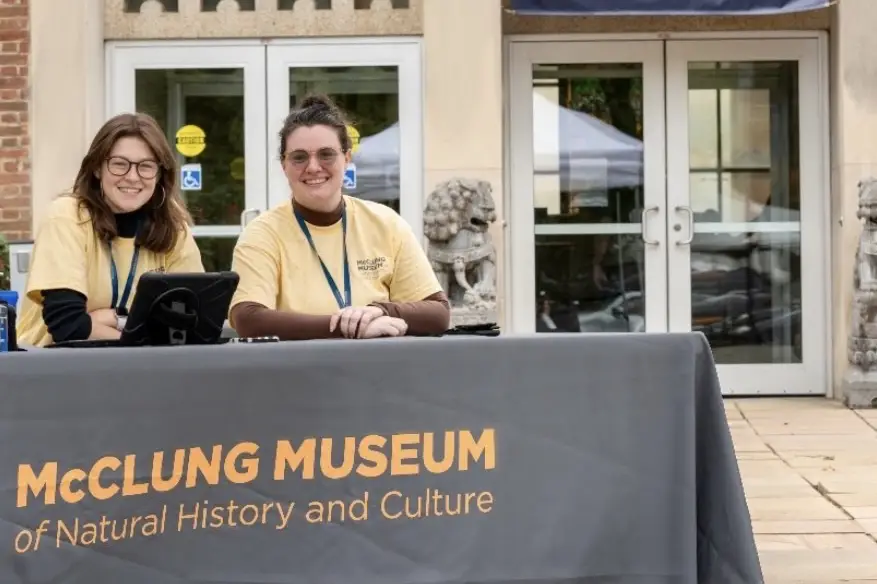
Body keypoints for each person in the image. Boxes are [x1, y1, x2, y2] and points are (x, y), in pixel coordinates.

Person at [229, 94, 450, 340]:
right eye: (299, 157)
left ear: (347, 158)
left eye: (326, 154)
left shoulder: (386, 223)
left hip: (377, 373)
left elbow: (438, 313)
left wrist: (377, 311)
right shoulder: (262, 233)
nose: (313, 167)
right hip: (296, 374)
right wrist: (349, 327)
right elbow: (247, 318)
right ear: (284, 165)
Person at [17, 113, 204, 347]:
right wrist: (140, 333)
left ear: (159, 175)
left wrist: (112, 319)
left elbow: (191, 324)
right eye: (119, 164)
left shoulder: (175, 232)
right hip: (54, 369)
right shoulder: (66, 216)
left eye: (146, 166)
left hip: (141, 371)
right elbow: (68, 327)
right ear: (97, 168)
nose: (132, 177)